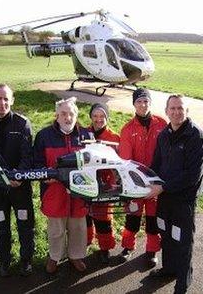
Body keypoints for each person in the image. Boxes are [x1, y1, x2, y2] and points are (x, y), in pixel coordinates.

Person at [147, 95, 203, 294]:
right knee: (167, 235)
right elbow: (156, 165)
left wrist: (162, 187)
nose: (176, 112)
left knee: (182, 240)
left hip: (183, 201)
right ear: (166, 111)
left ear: (186, 111)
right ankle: (169, 269)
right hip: (165, 199)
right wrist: (145, 181)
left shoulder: (195, 135)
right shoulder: (163, 135)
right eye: (173, 108)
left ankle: (183, 281)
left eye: (180, 108)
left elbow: (192, 175)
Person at [0, 84, 34, 277]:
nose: (2, 103)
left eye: (6, 99)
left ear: (12, 100)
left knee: (25, 225)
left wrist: (18, 176)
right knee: (1, 226)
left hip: (20, 187)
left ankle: (26, 260)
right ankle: (4, 260)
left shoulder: (22, 123)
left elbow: (28, 156)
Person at [33, 97, 91, 274]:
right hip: (54, 191)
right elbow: (37, 163)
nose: (68, 117)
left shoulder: (86, 135)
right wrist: (45, 176)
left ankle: (76, 256)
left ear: (76, 115)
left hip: (79, 192)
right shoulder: (44, 136)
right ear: (56, 116)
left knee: (78, 227)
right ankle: (55, 256)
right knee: (56, 229)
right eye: (63, 114)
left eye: (71, 113)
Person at [118, 88, 167, 267]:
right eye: (139, 101)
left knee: (153, 219)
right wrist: (133, 183)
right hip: (135, 183)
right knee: (133, 217)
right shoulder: (127, 129)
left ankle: (152, 250)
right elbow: (125, 161)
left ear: (150, 103)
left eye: (146, 101)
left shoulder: (162, 124)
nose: (143, 104)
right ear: (134, 104)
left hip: (155, 182)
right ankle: (127, 247)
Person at [86, 103, 120, 264]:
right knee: (84, 216)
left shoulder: (114, 138)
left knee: (103, 219)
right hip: (86, 182)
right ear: (91, 117)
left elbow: (120, 164)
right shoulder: (83, 133)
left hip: (106, 185)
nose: (98, 119)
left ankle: (105, 248)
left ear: (107, 117)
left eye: (102, 116)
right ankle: (86, 242)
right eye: (95, 116)